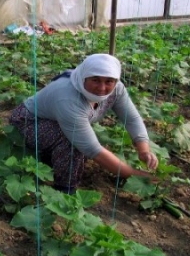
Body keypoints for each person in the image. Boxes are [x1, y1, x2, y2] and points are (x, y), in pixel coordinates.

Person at [9, 53, 158, 194]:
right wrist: (133, 174)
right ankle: (64, 190)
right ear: (84, 77)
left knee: (75, 139)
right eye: (95, 80)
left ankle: (49, 157)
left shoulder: (117, 90)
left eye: (108, 81)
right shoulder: (68, 98)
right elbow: (93, 150)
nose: (102, 88)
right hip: (27, 123)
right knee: (73, 141)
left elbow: (131, 118)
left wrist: (144, 150)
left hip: (53, 122)